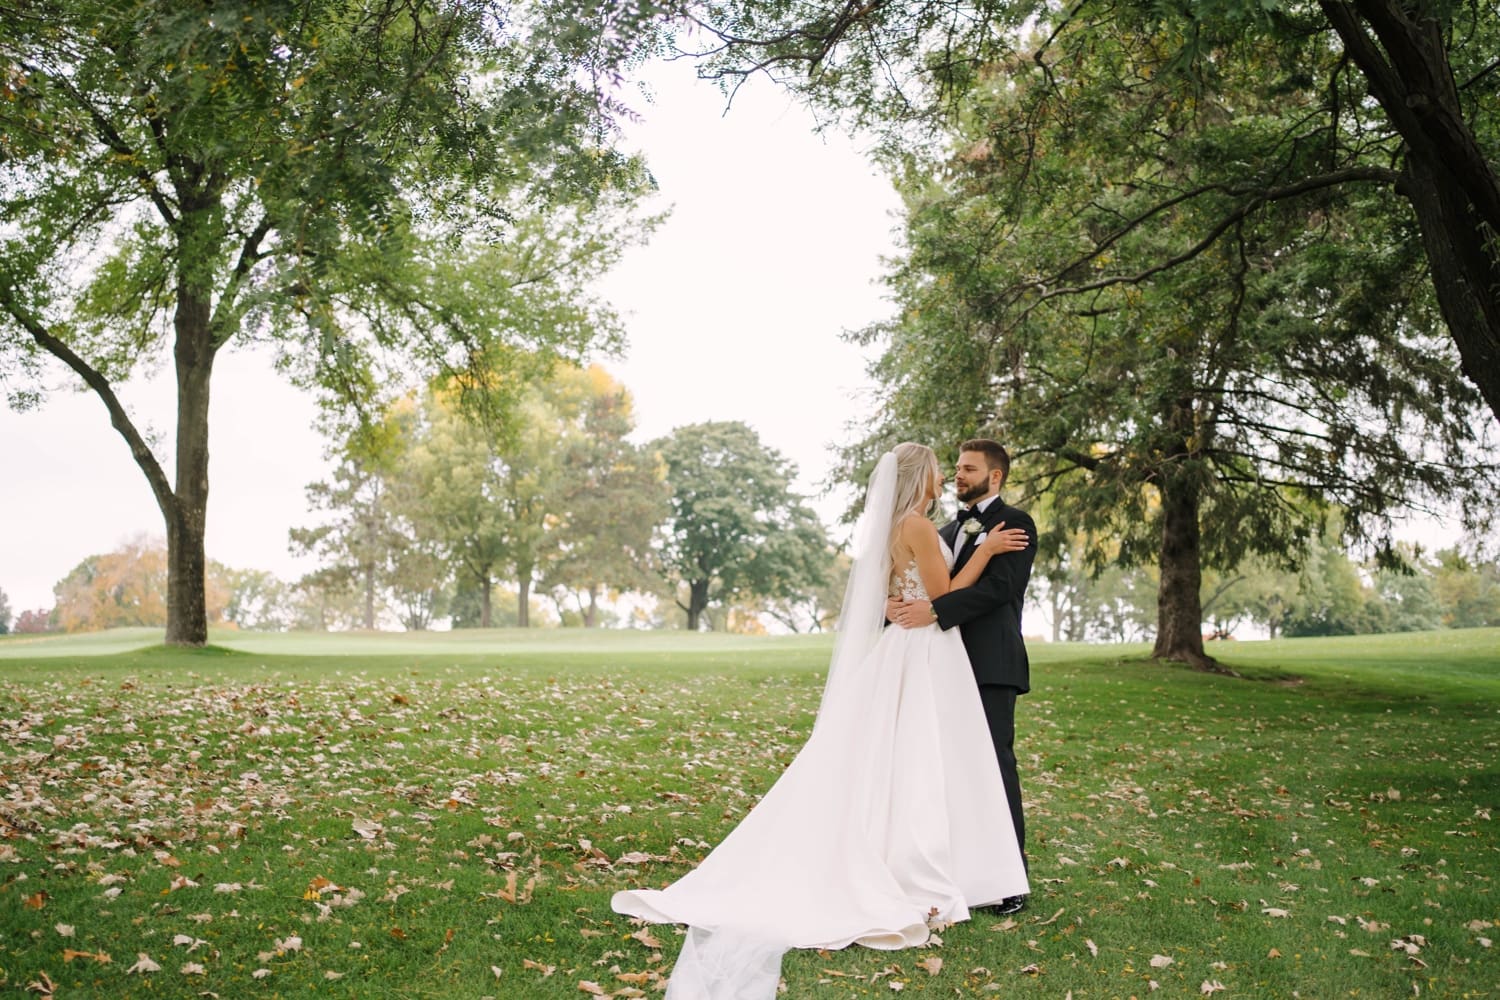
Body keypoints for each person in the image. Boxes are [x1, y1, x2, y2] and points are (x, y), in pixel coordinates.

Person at [612, 443, 1030, 1000]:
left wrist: (922, 594)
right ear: (919, 479)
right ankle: (919, 864)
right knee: (921, 758)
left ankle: (947, 861)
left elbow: (889, 598)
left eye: (957, 470)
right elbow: (945, 594)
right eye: (938, 471)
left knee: (907, 757)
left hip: (907, 649)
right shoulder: (923, 527)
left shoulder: (891, 527)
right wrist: (984, 552)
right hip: (925, 651)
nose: (946, 479)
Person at [887, 438, 1037, 917]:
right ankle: (957, 868)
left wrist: (934, 611)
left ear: (995, 476)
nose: (958, 475)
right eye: (955, 467)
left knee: (994, 764)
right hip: (936, 664)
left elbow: (999, 589)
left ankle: (1010, 877)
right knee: (943, 768)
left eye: (968, 468)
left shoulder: (1015, 524)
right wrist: (894, 611)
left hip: (989, 663)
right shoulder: (942, 527)